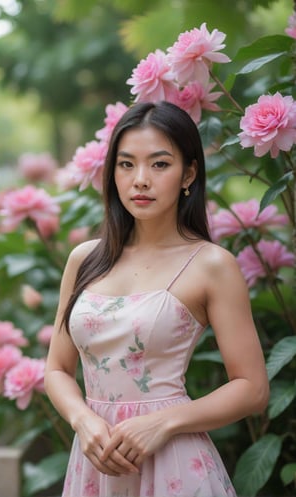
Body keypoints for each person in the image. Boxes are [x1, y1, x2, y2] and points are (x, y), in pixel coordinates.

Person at [45, 101, 269, 497]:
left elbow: (252, 388)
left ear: (189, 173)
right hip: (96, 460)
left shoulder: (212, 265)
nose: (141, 180)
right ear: (112, 172)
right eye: (126, 164)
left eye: (160, 164)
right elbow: (58, 369)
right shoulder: (85, 260)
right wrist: (83, 420)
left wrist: (163, 423)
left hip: (173, 464)